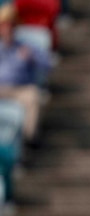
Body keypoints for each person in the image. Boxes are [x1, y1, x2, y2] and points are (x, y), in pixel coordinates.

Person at [0, 3, 52, 148]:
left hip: (20, 89)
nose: (8, 29)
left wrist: (32, 57)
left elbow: (48, 64)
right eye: (5, 26)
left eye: (11, 25)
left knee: (33, 96)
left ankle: (29, 140)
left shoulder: (26, 46)